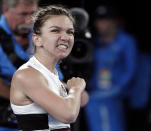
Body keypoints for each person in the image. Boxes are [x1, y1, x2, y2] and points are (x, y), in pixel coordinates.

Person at [10, 5, 89, 131]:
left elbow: (84, 99)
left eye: (70, 32)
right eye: (55, 30)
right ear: (37, 39)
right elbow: (68, 114)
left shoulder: (51, 76)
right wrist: (75, 89)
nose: (65, 37)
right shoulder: (27, 74)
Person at [85, 5, 138, 131]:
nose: (100, 24)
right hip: (96, 94)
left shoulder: (126, 41)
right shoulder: (95, 42)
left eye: (104, 20)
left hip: (118, 96)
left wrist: (118, 88)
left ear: (114, 21)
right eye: (98, 20)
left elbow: (131, 70)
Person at [0, 0, 39, 130]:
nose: (28, 21)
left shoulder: (41, 33)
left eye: (33, 13)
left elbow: (56, 75)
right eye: (22, 14)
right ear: (6, 10)